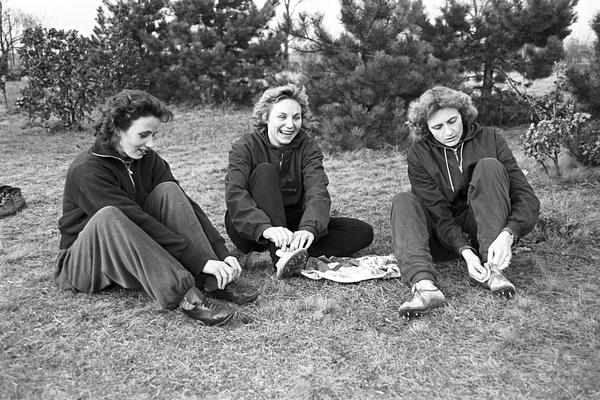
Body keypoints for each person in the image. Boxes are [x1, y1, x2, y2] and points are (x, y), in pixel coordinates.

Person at [55, 89, 259, 326]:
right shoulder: (88, 170)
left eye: (154, 135)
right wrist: (197, 260)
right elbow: (138, 221)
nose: (150, 144)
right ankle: (186, 295)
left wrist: (220, 254)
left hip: (129, 251)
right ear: (117, 130)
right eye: (143, 135)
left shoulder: (147, 159)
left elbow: (187, 205)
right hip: (84, 264)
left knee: (169, 190)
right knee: (110, 216)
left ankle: (213, 280)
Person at [390, 86, 540, 319]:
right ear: (426, 128)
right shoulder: (418, 153)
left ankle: (492, 269)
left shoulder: (491, 138)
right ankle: (424, 286)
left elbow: (526, 196)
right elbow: (437, 212)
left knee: (489, 166)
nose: (448, 132)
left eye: (453, 121)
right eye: (438, 127)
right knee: (403, 200)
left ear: (463, 114)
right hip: (442, 236)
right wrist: (465, 251)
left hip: (485, 229)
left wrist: (508, 234)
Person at [225, 83, 374, 278]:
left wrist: (309, 229)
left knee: (361, 231)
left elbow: (317, 191)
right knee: (265, 171)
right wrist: (266, 229)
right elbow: (236, 195)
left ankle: (275, 255)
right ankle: (279, 257)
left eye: (296, 117)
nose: (290, 125)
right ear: (265, 117)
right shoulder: (244, 147)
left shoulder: (308, 148)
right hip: (254, 229)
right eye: (282, 117)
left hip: (292, 223)